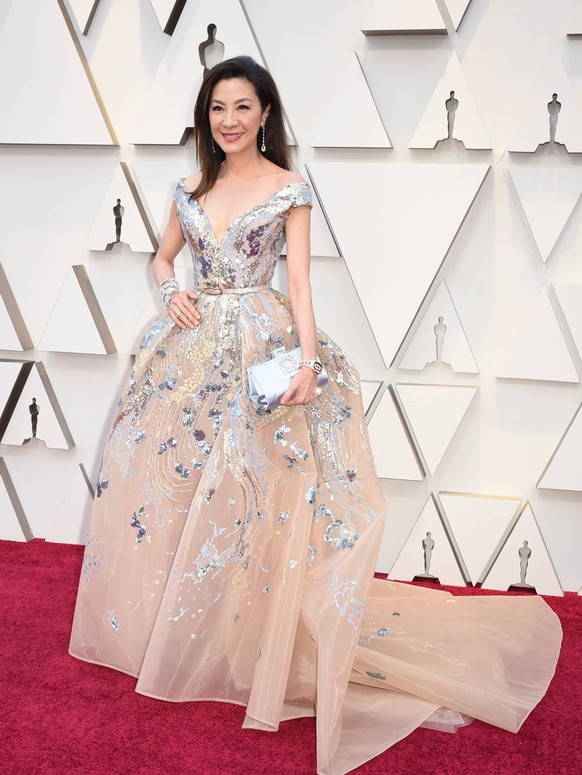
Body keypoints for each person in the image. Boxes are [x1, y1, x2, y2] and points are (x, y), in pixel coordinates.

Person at [70, 56, 562, 775]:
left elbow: (299, 280)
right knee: (176, 490)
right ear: (205, 119)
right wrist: (169, 287)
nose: (229, 120)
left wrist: (304, 362)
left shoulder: (289, 188)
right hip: (188, 356)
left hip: (259, 355)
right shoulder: (190, 187)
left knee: (256, 497)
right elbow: (162, 257)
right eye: (217, 109)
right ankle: (185, 629)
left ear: (266, 113)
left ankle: (245, 639)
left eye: (242, 107)